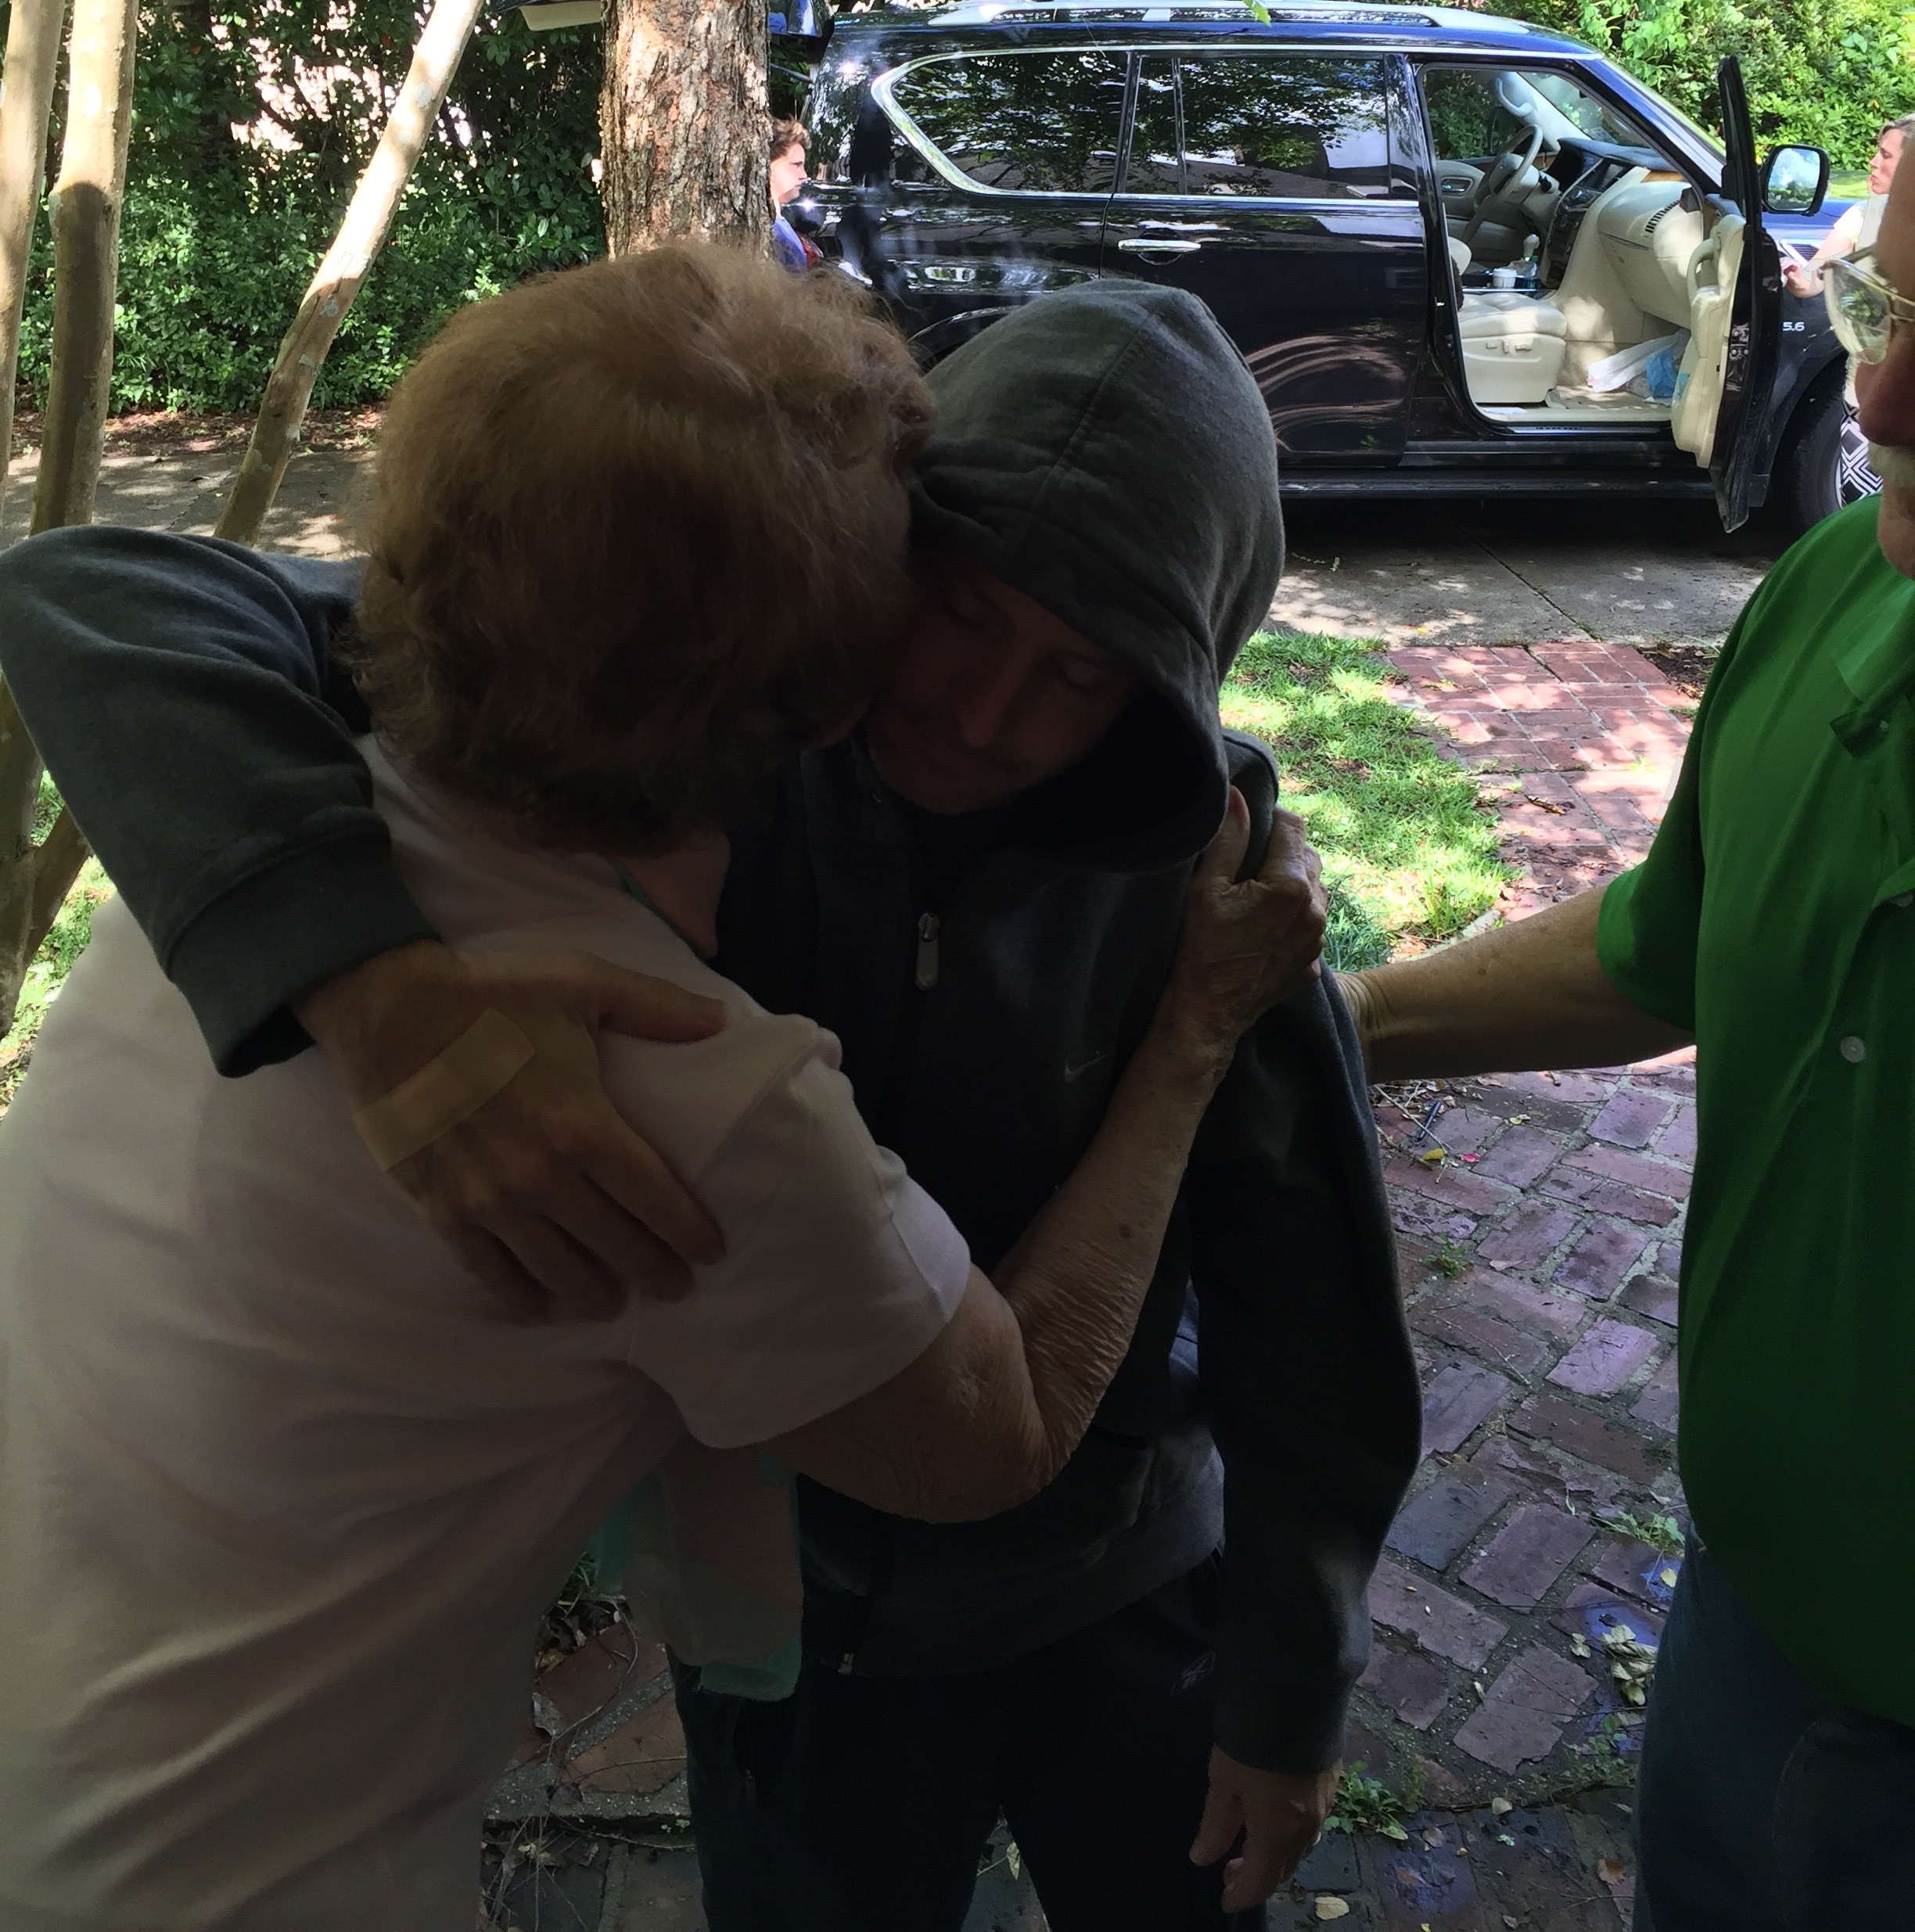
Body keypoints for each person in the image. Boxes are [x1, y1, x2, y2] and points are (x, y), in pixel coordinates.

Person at [0, 280, 1421, 1927]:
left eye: (1081, 674)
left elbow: (1309, 1290)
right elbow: (105, 590)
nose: (982, 712)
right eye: (960, 611)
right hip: (804, 1631)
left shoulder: (1212, 873)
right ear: (870, 573)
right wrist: (367, 980)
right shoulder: (691, 696)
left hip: (1118, 1578)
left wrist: (1291, 1681)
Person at [1340, 149, 1915, 1926]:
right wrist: (1336, 1018)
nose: (1880, 402)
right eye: (1884, 309)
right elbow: (1665, 944)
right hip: (1738, 1630)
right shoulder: (1834, 592)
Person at [1780, 112, 1912, 296]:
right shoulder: (1862, 214)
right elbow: (1815, 277)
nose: (1873, 162)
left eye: (1886, 155)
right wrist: (1797, 276)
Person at [769, 113, 819, 275]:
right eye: (796, 165)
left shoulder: (779, 224)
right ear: (769, 165)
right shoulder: (770, 231)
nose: (804, 175)